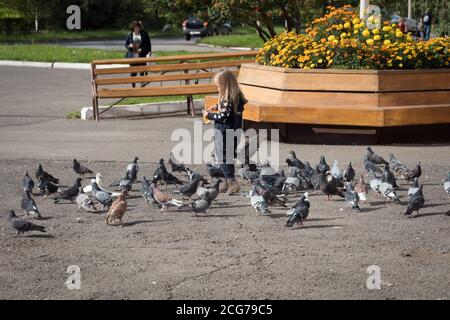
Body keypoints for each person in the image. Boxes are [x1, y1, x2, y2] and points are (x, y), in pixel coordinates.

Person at [203, 69, 247, 196]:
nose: (217, 89)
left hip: (225, 131)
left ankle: (232, 182)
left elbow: (223, 116)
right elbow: (228, 109)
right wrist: (216, 107)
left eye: (219, 86)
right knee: (228, 156)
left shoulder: (227, 98)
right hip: (235, 130)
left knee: (224, 157)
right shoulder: (236, 97)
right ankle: (228, 181)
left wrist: (209, 115)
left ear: (225, 85)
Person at [125, 21, 152, 87]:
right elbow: (126, 44)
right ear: (132, 28)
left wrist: (142, 50)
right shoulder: (130, 34)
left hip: (141, 55)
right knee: (133, 72)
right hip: (132, 56)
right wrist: (129, 46)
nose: (137, 28)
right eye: (135, 27)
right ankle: (133, 86)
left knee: (142, 70)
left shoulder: (144, 34)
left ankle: (142, 85)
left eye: (138, 27)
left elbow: (148, 44)